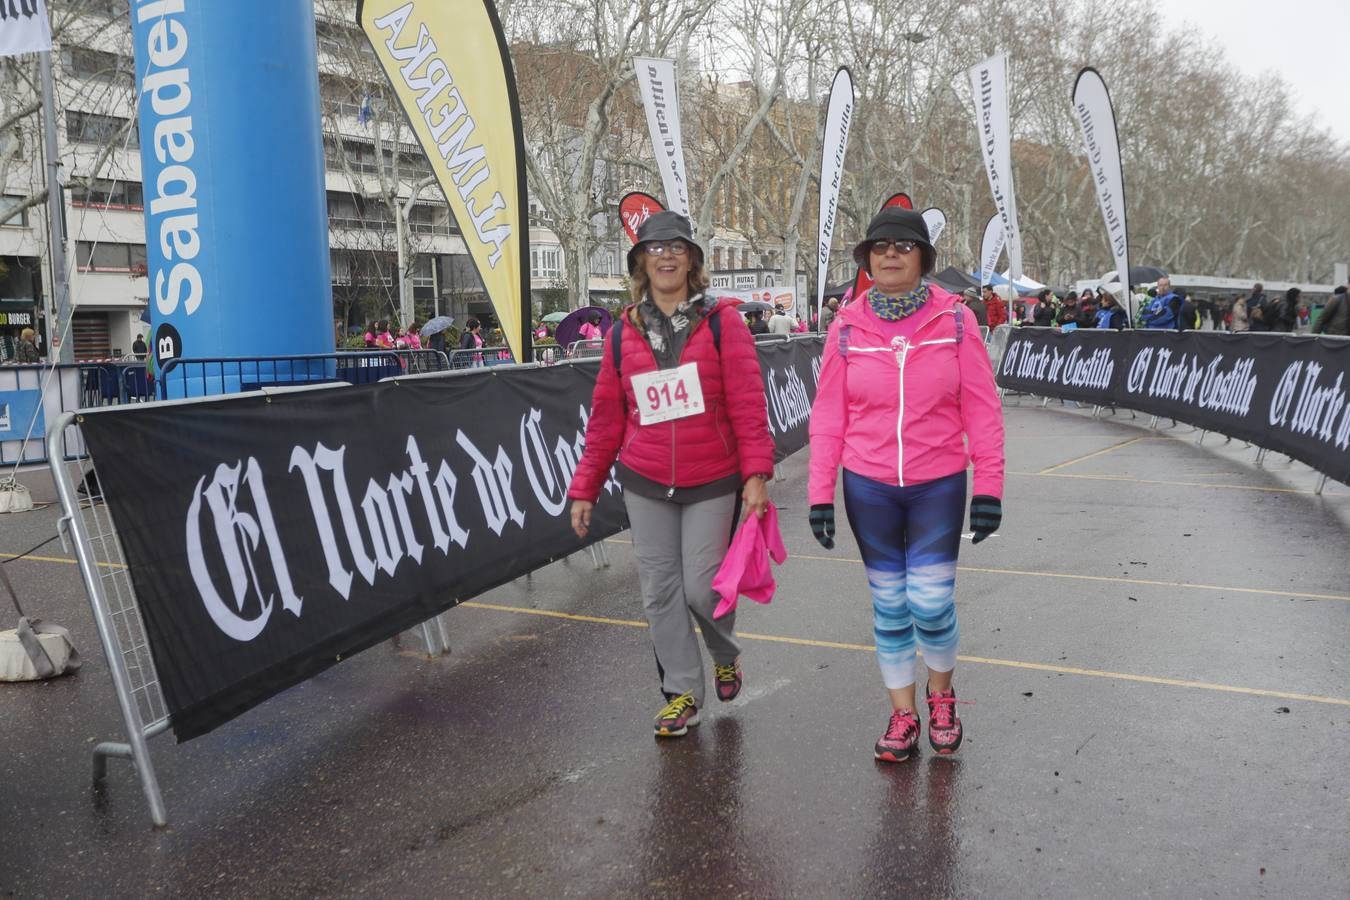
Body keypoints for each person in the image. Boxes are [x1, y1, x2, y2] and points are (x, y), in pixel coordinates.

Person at [806, 207, 1005, 762]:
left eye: (903, 245)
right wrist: (820, 493)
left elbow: (983, 412)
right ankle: (903, 714)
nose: (890, 253)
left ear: (923, 258)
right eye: (880, 246)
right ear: (867, 259)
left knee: (932, 603)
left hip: (936, 483)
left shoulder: (957, 321)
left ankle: (942, 698)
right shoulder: (846, 327)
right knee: (890, 606)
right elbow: (827, 418)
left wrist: (988, 486)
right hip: (867, 486)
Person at [567, 211, 775, 739]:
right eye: (655, 248)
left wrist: (755, 475)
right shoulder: (622, 332)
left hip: (711, 476)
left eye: (677, 247)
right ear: (640, 261)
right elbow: (607, 418)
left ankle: (724, 653)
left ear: (692, 260)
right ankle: (682, 692)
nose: (666, 256)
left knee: (703, 590)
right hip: (645, 479)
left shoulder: (723, 322)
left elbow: (749, 404)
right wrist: (585, 487)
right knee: (660, 593)